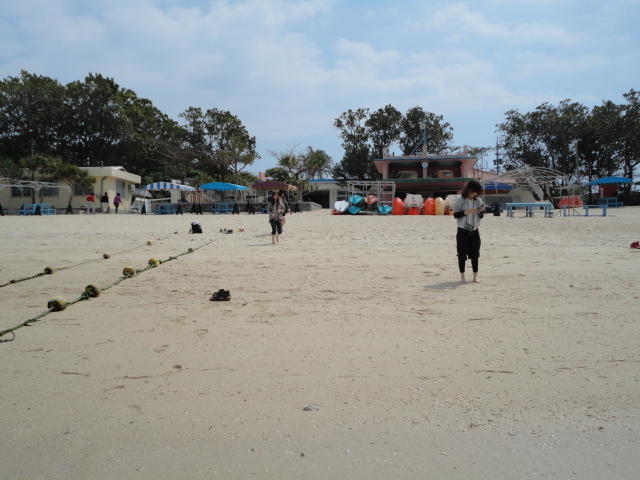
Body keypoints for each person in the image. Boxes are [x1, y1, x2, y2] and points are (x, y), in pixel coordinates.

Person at [453, 181, 485, 283]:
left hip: (474, 231)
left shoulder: (478, 200)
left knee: (475, 254)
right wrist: (465, 212)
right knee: (462, 254)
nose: (475, 194)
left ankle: (475, 277)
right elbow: (455, 215)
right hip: (462, 231)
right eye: (474, 192)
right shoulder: (460, 200)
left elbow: (481, 216)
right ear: (469, 190)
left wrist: (481, 211)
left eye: (477, 193)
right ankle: (462, 277)